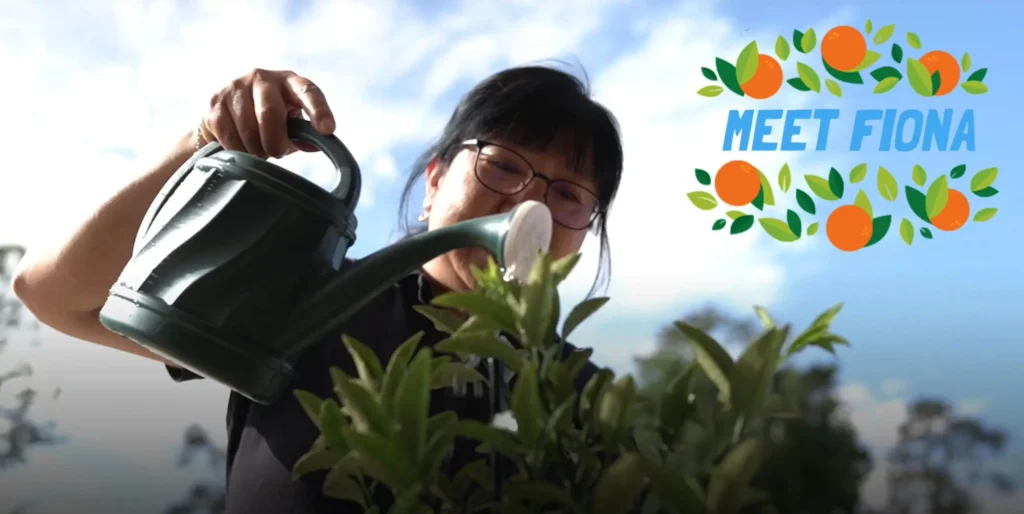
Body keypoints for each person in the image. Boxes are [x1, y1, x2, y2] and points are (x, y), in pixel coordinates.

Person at [12, 63, 624, 513]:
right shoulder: (320, 298)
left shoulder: (585, 398)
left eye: (568, 194)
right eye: (505, 164)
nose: (528, 203)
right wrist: (200, 142)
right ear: (435, 180)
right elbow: (54, 293)